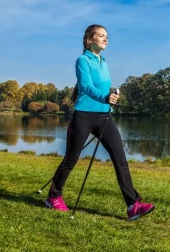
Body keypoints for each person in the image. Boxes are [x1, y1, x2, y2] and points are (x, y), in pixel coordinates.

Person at [45, 24, 155, 221]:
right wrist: (105, 97)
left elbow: (104, 88)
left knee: (120, 158)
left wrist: (111, 96)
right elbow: (86, 86)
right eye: (101, 36)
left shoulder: (103, 61)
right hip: (84, 116)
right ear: (90, 40)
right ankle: (53, 197)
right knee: (71, 159)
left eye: (107, 36)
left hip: (104, 116)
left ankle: (133, 205)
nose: (106, 39)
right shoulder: (83, 60)